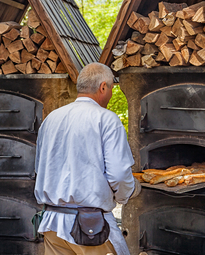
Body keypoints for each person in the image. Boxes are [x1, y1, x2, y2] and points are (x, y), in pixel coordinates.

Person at [34, 62, 141, 255]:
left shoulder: (51, 119)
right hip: (90, 229)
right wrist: (130, 191)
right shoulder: (107, 119)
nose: (109, 94)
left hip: (52, 225)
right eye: (110, 88)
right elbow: (118, 175)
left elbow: (40, 168)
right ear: (103, 87)